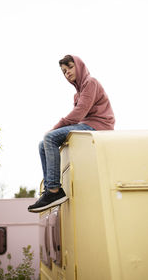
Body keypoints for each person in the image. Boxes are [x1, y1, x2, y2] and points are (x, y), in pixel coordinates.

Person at [28, 55, 115, 213]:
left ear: (79, 66)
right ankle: (49, 189)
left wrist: (54, 128)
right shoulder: (78, 94)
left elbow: (79, 113)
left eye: (70, 67)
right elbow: (77, 119)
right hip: (86, 125)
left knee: (49, 137)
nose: (67, 72)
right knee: (43, 144)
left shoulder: (91, 82)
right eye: (64, 71)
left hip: (99, 126)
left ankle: (54, 190)